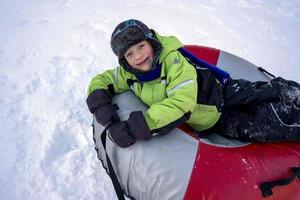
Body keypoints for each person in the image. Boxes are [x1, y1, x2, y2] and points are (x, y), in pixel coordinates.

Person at [86, 19, 300, 147]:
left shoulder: (174, 62)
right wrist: (100, 102)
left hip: (218, 93)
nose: (138, 56)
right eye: (130, 53)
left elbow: (181, 102)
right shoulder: (129, 73)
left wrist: (138, 126)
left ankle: (290, 92)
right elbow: (104, 80)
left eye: (141, 46)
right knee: (261, 122)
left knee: (264, 93)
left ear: (151, 41)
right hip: (213, 117)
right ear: (124, 61)